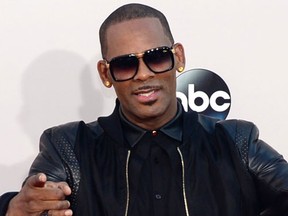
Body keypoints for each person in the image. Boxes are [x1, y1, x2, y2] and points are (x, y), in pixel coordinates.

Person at [1, 3, 288, 216]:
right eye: (126, 64)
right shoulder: (67, 149)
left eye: (157, 58)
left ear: (178, 57)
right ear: (105, 73)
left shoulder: (236, 142)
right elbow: (36, 201)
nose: (143, 74)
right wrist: (14, 208)